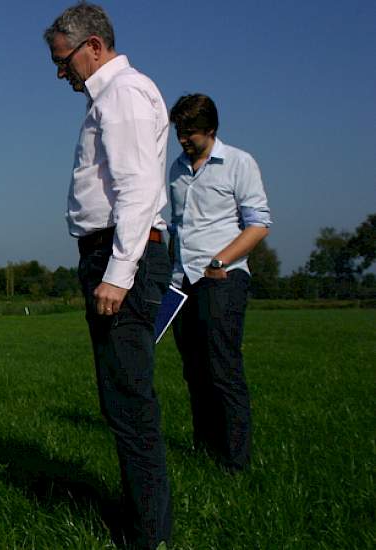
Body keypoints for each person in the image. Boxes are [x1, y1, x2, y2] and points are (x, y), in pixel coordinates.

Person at [45, 3, 172, 547]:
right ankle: (139, 517)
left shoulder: (121, 95)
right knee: (120, 396)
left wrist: (118, 273)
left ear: (93, 46)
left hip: (124, 256)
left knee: (129, 396)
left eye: (64, 61)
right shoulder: (113, 96)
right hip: (113, 253)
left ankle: (148, 534)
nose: (63, 74)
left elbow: (138, 190)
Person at [168, 93, 272, 472]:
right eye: (179, 130)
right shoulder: (176, 169)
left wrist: (220, 261)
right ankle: (205, 449)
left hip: (222, 278)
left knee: (222, 368)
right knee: (193, 369)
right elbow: (179, 225)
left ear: (211, 130)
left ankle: (235, 461)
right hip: (183, 281)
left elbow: (258, 224)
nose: (183, 139)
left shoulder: (239, 163)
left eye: (190, 132)